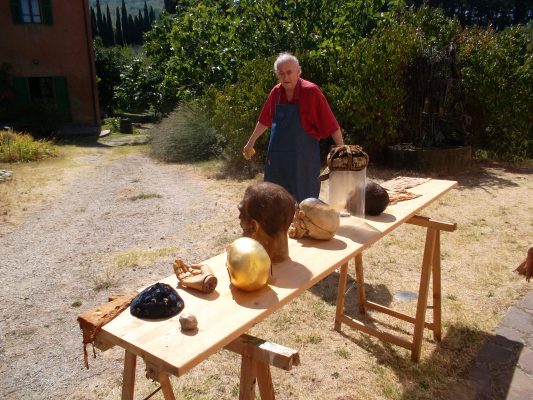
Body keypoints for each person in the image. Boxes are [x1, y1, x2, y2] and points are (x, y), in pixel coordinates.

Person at [243, 53, 344, 202]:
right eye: (281, 73)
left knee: (304, 203)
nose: (285, 77)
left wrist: (342, 150)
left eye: (289, 72)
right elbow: (264, 120)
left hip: (303, 160)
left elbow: (331, 124)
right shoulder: (276, 93)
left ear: (298, 71)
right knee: (275, 201)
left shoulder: (311, 91)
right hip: (277, 159)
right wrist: (250, 142)